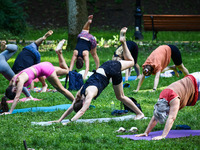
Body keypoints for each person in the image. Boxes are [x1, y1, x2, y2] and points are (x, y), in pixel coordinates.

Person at [51, 27, 145, 124]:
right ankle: (123, 42)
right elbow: (72, 107)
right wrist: (59, 120)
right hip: (105, 66)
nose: (86, 108)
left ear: (83, 103)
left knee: (121, 96)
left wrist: (69, 122)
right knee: (132, 61)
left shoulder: (89, 94)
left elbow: (82, 111)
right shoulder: (79, 94)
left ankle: (139, 114)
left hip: (111, 71)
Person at [1, 40, 75, 115]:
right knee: (66, 71)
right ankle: (59, 52)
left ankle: (76, 103)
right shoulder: (13, 79)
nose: (17, 90)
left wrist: (10, 112)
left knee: (62, 90)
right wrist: (5, 98)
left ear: (14, 90)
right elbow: (9, 92)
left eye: (16, 91)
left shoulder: (20, 81)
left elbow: (17, 97)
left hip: (45, 70)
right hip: (42, 65)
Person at [135, 72, 200, 140]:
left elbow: (172, 118)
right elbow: (156, 116)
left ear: (167, 109)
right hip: (192, 82)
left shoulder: (174, 99)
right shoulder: (161, 100)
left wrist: (163, 136)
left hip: (197, 80)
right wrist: (146, 132)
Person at [69, 15, 100, 80]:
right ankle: (88, 22)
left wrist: (84, 77)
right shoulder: (75, 53)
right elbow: (70, 67)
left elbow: (87, 68)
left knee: (94, 54)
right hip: (81, 37)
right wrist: (69, 74)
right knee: (85, 30)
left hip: (91, 39)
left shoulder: (85, 54)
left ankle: (98, 68)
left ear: (82, 62)